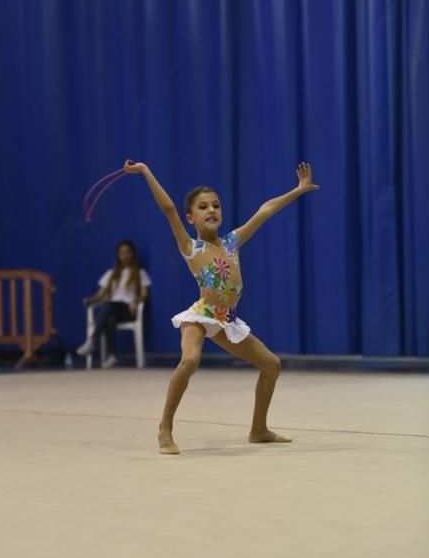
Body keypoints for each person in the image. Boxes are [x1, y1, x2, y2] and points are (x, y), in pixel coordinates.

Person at [123, 159, 319, 453]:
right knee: (189, 361)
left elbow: (264, 211)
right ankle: (165, 427)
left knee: (271, 365)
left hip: (226, 319)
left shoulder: (231, 242)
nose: (211, 210)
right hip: (201, 316)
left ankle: (259, 428)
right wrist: (145, 171)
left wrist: (298, 190)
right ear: (191, 218)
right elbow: (168, 209)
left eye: (215, 205)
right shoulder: (191, 247)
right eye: (203, 207)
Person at [76, 240, 151, 368]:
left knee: (108, 306)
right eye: (122, 253)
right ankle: (112, 356)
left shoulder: (140, 273)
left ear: (133, 254)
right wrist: (90, 301)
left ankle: (93, 341)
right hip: (112, 309)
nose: (125, 256)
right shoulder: (111, 274)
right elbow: (101, 295)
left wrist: (135, 301)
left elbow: (144, 294)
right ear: (118, 255)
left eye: (128, 252)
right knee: (110, 317)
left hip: (128, 310)